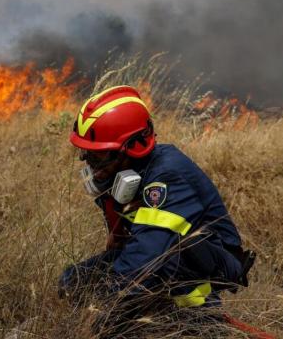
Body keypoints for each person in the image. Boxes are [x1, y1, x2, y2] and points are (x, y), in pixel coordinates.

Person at [59, 85, 255, 314]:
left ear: (133, 147)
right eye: (87, 153)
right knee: (73, 281)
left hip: (208, 260)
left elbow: (146, 254)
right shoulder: (122, 174)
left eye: (99, 155)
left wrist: (105, 305)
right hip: (160, 251)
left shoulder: (167, 176)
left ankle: (201, 320)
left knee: (132, 291)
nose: (91, 164)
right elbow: (124, 243)